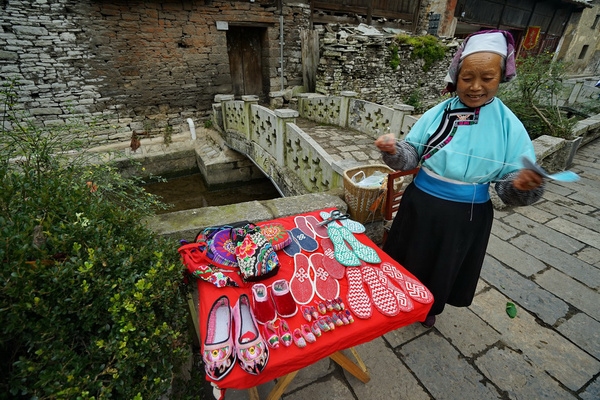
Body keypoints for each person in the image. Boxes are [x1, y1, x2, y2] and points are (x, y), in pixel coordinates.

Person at [374, 30, 544, 328]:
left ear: (501, 77)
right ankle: (398, 298)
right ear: (457, 76)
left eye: (487, 78)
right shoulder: (438, 113)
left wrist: (521, 184)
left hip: (466, 215)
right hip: (420, 204)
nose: (475, 87)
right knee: (407, 255)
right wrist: (393, 151)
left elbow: (510, 182)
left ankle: (427, 308)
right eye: (467, 78)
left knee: (443, 265)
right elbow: (412, 153)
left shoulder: (509, 126)